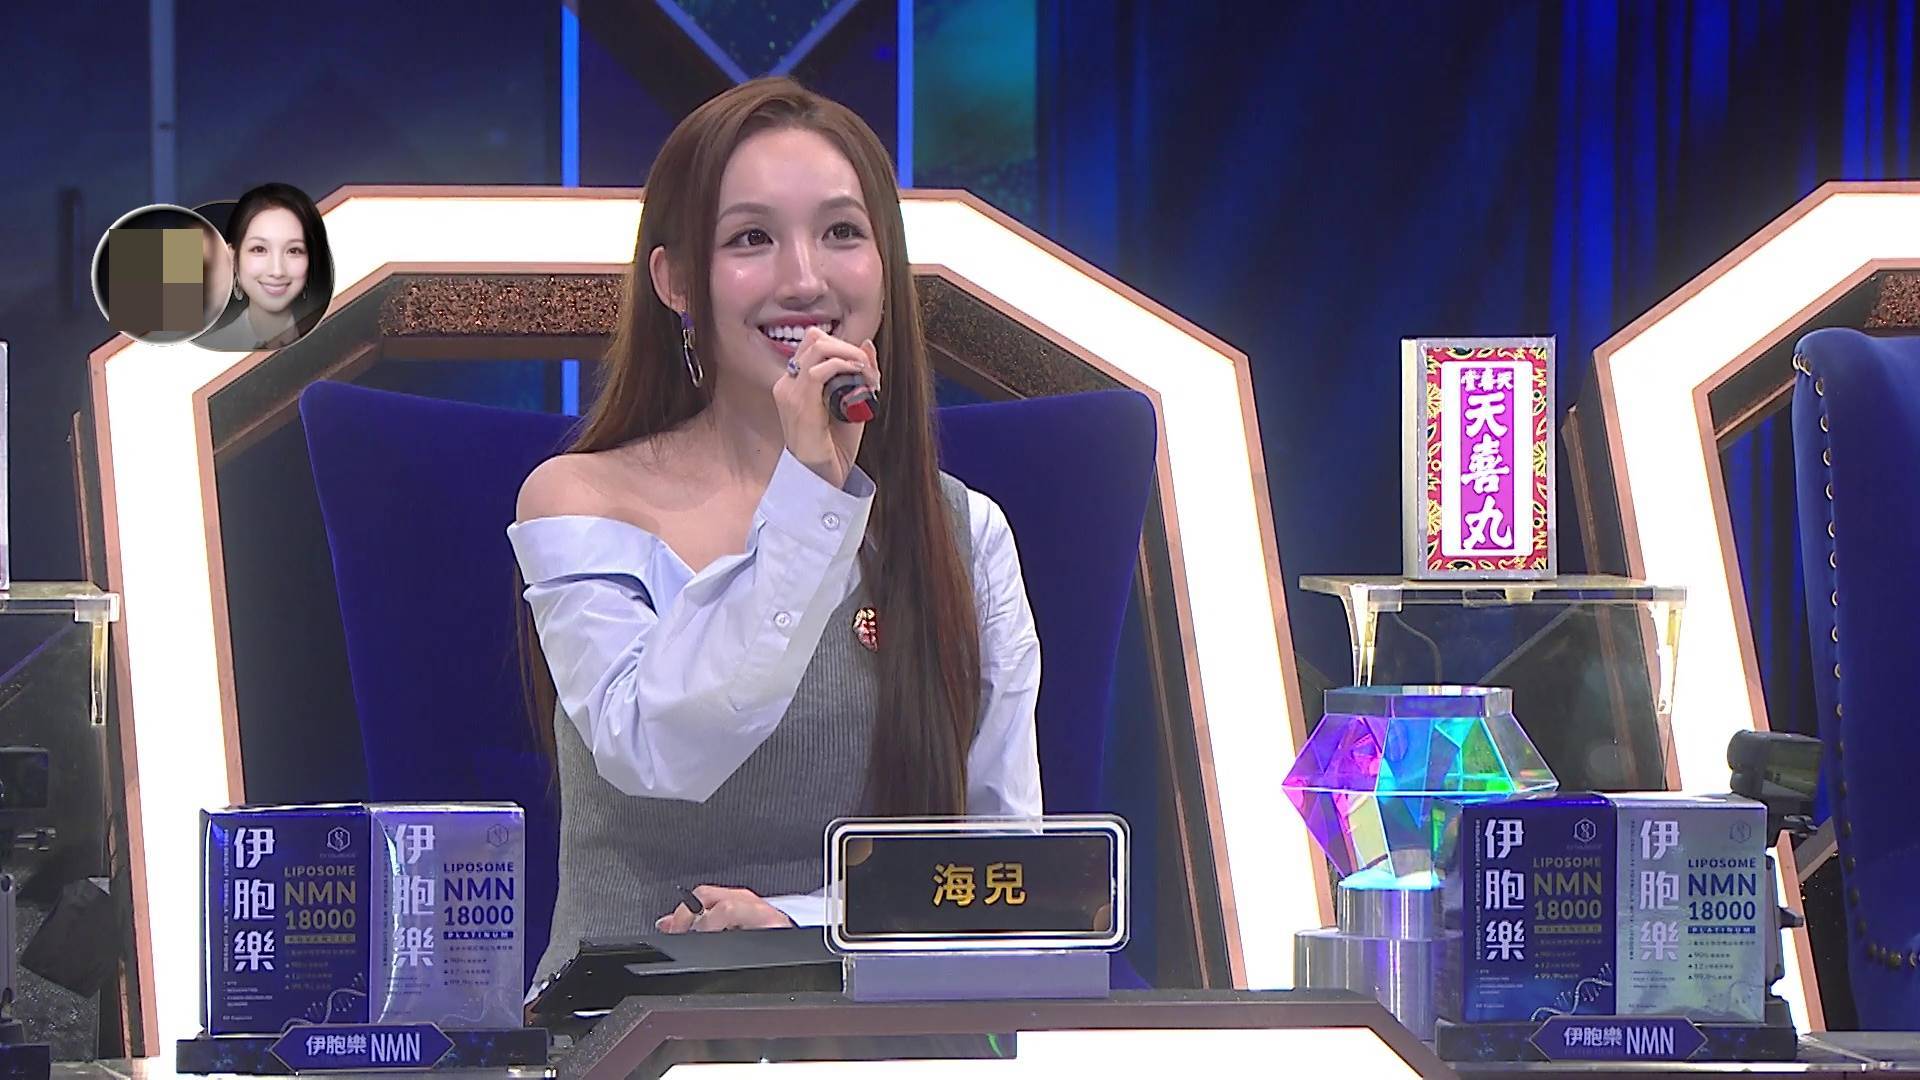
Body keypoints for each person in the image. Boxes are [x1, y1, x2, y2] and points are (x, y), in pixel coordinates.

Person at [509, 77, 1042, 988]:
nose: (804, 279)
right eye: (751, 239)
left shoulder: (964, 532)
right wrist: (811, 497)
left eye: (842, 233)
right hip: (626, 1027)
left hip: (880, 1030)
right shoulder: (579, 502)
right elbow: (658, 748)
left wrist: (797, 925)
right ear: (677, 281)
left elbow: (1010, 878)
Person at [195, 183, 333, 351]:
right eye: (259, 249)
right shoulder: (212, 352)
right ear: (232, 258)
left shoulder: (333, 337)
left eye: (293, 251)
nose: (277, 271)